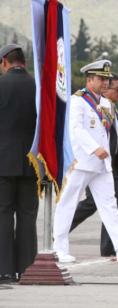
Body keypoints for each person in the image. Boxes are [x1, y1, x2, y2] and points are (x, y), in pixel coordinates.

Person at [53, 59, 118, 263]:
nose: (105, 82)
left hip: (102, 165)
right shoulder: (78, 100)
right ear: (89, 79)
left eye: (106, 79)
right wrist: (94, 148)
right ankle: (59, 247)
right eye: (101, 78)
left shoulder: (104, 103)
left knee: (109, 205)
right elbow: (75, 130)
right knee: (68, 203)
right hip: (81, 161)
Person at [70, 74, 118, 257]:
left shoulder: (112, 109)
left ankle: (112, 247)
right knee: (93, 203)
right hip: (94, 163)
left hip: (111, 166)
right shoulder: (93, 107)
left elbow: (116, 141)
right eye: (117, 89)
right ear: (107, 90)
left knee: (111, 205)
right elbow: (79, 131)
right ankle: (63, 229)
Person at [0, 44, 38, 283]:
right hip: (32, 161)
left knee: (3, 214)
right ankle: (26, 268)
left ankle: (3, 269)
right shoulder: (38, 86)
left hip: (2, 161)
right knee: (27, 215)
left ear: (5, 61)